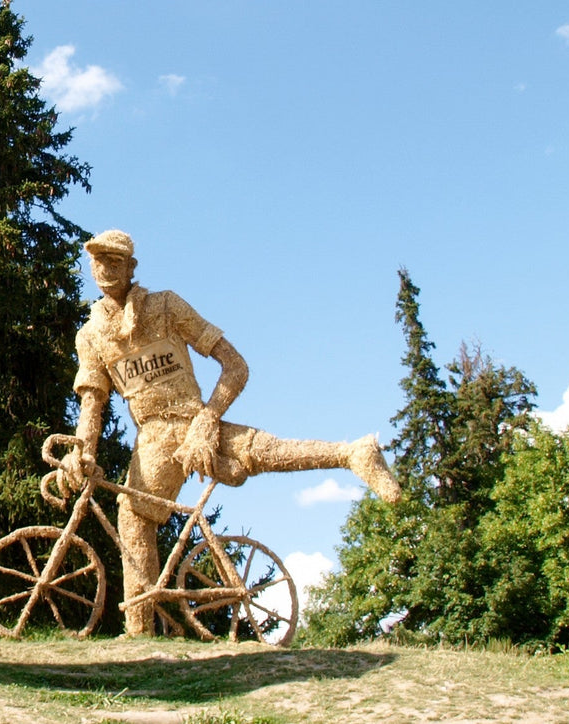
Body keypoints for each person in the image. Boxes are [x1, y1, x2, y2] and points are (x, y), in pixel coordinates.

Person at [63, 229, 400, 635]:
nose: (105, 269)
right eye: (98, 261)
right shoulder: (91, 336)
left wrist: (206, 421)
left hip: (192, 422)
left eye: (115, 261)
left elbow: (235, 366)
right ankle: (140, 633)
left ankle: (354, 454)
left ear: (132, 267)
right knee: (134, 517)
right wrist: (80, 451)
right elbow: (91, 403)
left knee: (262, 450)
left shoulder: (166, 306)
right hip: (152, 440)